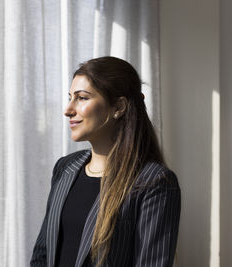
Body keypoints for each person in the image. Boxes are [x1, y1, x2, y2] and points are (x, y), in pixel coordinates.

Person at [30, 56, 181, 267]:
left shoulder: (154, 182)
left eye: (82, 98)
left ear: (119, 107)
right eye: (70, 97)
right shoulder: (64, 168)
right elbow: (42, 254)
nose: (68, 109)